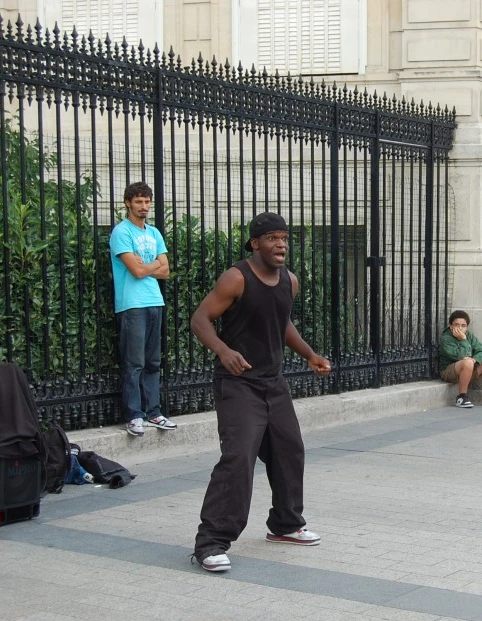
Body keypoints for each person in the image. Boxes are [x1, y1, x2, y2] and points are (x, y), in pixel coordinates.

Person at [190, 212, 332, 573]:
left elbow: (281, 322)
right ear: (255, 244)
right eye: (272, 238)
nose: (281, 244)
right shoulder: (236, 278)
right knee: (239, 458)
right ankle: (210, 543)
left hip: (273, 383)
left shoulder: (289, 281)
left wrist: (310, 354)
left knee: (289, 450)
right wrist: (223, 350)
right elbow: (200, 319)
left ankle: (285, 524)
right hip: (238, 384)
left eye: (284, 237)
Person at [109, 181, 176, 438]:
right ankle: (134, 415)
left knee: (153, 362)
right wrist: (153, 265)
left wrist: (147, 266)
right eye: (139, 201)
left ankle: (154, 412)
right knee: (134, 362)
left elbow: (166, 270)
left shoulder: (154, 233)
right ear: (128, 203)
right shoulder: (121, 232)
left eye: (147, 201)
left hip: (154, 301)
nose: (144, 206)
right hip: (132, 304)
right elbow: (136, 271)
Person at [439, 310, 482, 408]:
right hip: (449, 371)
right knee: (467, 362)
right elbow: (460, 356)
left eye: (463, 326)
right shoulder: (446, 338)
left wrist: (474, 359)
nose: (460, 328)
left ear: (467, 327)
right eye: (456, 325)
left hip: (468, 369)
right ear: (450, 326)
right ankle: (462, 397)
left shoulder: (469, 335)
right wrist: (463, 340)